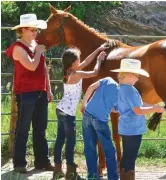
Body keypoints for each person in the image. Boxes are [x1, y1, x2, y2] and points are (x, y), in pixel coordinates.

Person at [5, 14, 54, 173]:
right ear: (23, 30)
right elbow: (32, 66)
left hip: (40, 91)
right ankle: (19, 164)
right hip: (25, 93)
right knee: (23, 128)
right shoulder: (18, 48)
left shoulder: (36, 44)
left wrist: (49, 88)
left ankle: (42, 161)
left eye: (36, 29)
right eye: (32, 30)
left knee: (40, 128)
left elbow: (43, 68)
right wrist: (39, 52)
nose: (35, 32)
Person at [53, 44, 108, 180]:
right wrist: (100, 60)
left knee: (60, 140)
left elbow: (86, 61)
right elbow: (95, 72)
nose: (80, 60)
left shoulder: (68, 71)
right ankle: (71, 174)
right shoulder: (77, 73)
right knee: (70, 142)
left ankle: (57, 170)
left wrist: (98, 49)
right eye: (78, 59)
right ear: (74, 62)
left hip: (61, 110)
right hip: (68, 114)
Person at [110, 59, 166, 180]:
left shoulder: (120, 89)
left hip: (125, 128)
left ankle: (124, 176)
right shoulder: (130, 90)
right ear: (130, 75)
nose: (138, 78)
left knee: (126, 156)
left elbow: (119, 108)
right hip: (134, 129)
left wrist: (155, 107)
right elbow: (138, 110)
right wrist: (155, 109)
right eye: (137, 76)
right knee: (131, 157)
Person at [81, 77, 119, 180]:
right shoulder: (120, 94)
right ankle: (113, 178)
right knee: (109, 151)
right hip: (100, 120)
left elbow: (91, 87)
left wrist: (83, 103)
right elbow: (114, 110)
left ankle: (92, 177)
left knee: (90, 149)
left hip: (87, 115)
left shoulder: (108, 80)